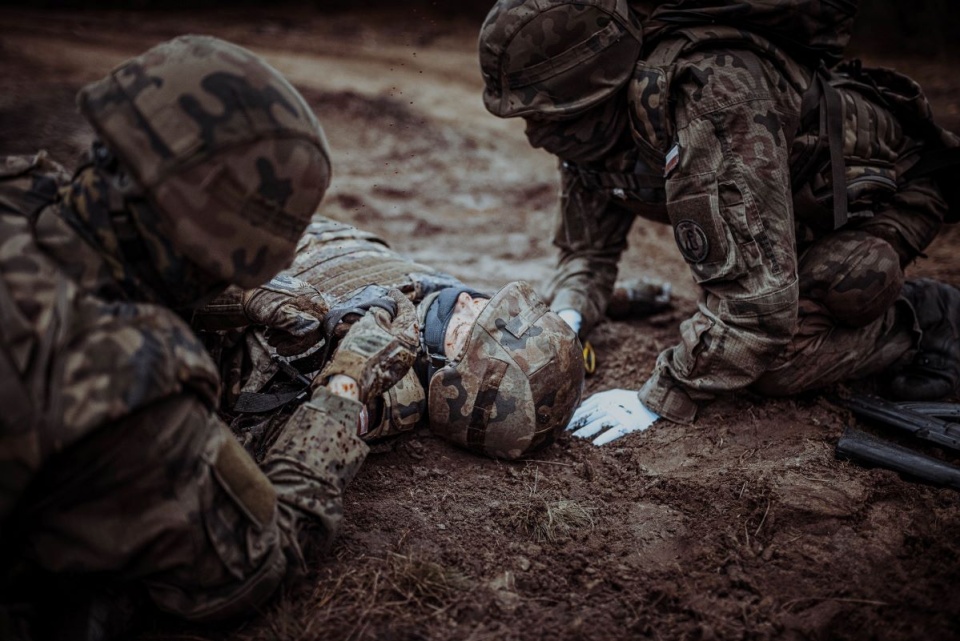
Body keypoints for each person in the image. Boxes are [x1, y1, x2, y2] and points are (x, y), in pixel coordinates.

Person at [0, 35, 415, 640]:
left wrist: (234, 303)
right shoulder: (130, 384)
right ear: (211, 244)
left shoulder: (16, 190)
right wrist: (344, 389)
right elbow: (250, 567)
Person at [478, 0, 960, 444]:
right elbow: (587, 251)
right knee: (751, 320)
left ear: (595, 90)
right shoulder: (592, 129)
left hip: (887, 197)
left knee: (785, 354)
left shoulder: (712, 93)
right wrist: (570, 316)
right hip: (791, 213)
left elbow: (759, 310)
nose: (537, 138)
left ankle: (921, 317)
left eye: (548, 119)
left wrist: (661, 396)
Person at [191, 215, 586, 462]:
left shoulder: (395, 388)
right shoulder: (447, 305)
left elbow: (290, 436)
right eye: (484, 303)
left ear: (447, 385)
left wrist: (288, 337)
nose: (466, 300)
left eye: (465, 329)